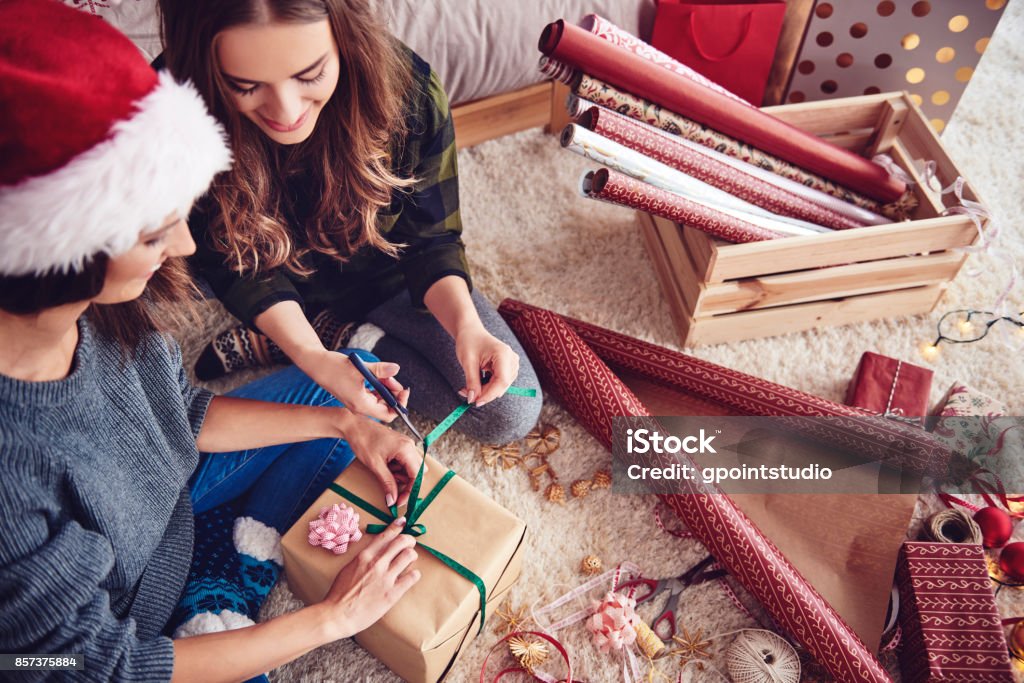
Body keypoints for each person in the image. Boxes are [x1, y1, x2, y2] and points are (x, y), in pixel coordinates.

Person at [0, 2, 424, 680]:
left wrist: (344, 422)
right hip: (124, 634)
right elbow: (101, 666)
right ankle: (224, 586)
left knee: (353, 379)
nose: (188, 246)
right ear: (60, 252)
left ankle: (223, 570)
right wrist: (330, 618)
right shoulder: (9, 474)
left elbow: (181, 414)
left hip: (168, 514)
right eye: (152, 234)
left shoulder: (96, 311)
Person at [157, 0, 543, 444]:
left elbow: (430, 239)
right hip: (267, 283)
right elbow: (235, 267)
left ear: (345, 35)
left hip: (389, 276)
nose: (285, 112)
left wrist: (466, 326)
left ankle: (333, 332)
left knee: (509, 410)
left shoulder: (408, 90)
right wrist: (311, 357)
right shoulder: (172, 114)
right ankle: (298, 336)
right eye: (244, 86)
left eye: (310, 75)